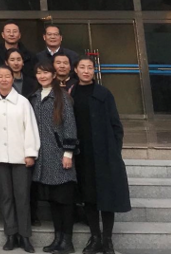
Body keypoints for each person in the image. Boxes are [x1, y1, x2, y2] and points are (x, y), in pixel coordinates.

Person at [71, 57, 131, 254]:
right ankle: (95, 237)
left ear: (94, 71)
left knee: (107, 197)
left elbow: (116, 125)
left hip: (105, 154)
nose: (86, 71)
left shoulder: (104, 93)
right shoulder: (71, 93)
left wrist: (114, 151)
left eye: (90, 67)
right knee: (89, 198)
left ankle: (107, 240)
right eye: (82, 67)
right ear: (75, 70)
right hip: (83, 154)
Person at [0, 66, 40, 253]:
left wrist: (30, 153)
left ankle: (25, 235)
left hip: (20, 157)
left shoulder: (22, 102)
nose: (4, 79)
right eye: (0, 76)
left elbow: (30, 128)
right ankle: (11, 234)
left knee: (22, 197)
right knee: (5, 197)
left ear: (13, 79)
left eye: (7, 76)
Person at [30, 62, 78, 254]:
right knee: (53, 201)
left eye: (46, 72)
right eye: (39, 73)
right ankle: (58, 238)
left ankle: (67, 240)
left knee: (64, 200)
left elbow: (70, 125)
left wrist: (68, 152)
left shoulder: (61, 97)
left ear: (53, 75)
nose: (42, 76)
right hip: (43, 157)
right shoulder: (34, 97)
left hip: (60, 155)